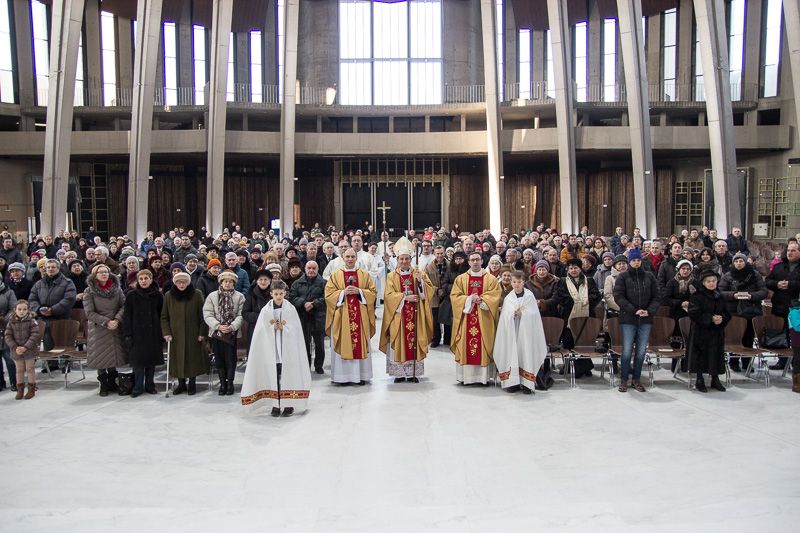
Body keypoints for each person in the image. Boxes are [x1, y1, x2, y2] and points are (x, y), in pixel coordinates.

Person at [241, 280, 311, 417]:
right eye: (276, 294)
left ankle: (288, 404)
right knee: (273, 374)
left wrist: (284, 328)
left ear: (285, 293)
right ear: (271, 294)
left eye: (281, 293)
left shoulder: (290, 309)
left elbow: (295, 329)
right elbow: (261, 330)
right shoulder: (265, 310)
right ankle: (275, 403)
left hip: (287, 349)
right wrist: (271, 328)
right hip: (271, 349)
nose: (278, 296)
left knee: (288, 374)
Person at [379, 237, 435, 383]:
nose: (404, 261)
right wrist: (404, 298)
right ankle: (398, 374)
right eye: (401, 259)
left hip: (416, 315)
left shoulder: (419, 273)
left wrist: (420, 282)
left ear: (411, 259)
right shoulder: (392, 276)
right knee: (399, 340)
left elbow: (429, 292)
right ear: (397, 260)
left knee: (414, 340)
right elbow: (388, 295)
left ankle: (412, 374)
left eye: (406, 259)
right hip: (398, 315)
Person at [324, 248, 377, 385]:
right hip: (342, 316)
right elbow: (328, 295)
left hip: (360, 316)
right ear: (343, 257)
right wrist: (342, 293)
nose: (350, 259)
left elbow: (373, 293)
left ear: (356, 258)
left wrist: (360, 292)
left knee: (359, 343)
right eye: (347, 256)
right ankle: (342, 377)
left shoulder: (364, 275)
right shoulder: (335, 275)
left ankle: (360, 376)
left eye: (352, 256)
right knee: (344, 342)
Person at [449, 251, 502, 385]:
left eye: (477, 259)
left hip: (484, 319)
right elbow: (454, 297)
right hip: (466, 319)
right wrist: (469, 299)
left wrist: (482, 300)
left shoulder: (491, 279)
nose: (475, 262)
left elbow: (495, 295)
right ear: (468, 262)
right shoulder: (461, 279)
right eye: (472, 260)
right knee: (465, 345)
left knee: (483, 345)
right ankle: (465, 377)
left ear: (482, 261)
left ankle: (483, 378)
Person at [613, 248, 660, 392]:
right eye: (633, 260)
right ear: (629, 262)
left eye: (638, 260)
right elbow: (618, 296)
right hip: (628, 319)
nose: (636, 262)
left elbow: (657, 296)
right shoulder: (623, 277)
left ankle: (636, 379)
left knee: (640, 352)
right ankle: (624, 380)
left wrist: (649, 311)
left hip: (645, 319)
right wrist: (634, 310)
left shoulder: (649, 276)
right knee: (627, 351)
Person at [493, 271, 548, 394]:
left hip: (526, 334)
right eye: (514, 282)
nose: (516, 284)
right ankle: (513, 383)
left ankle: (527, 383)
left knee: (525, 354)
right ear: (511, 283)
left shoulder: (529, 296)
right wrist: (512, 314)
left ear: (523, 282)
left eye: (519, 282)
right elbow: (504, 316)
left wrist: (523, 314)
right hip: (512, 333)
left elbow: (534, 314)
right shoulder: (508, 298)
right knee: (513, 355)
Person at [718, 252, 768, 372]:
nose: (738, 263)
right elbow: (720, 292)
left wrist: (751, 295)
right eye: (736, 261)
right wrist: (734, 295)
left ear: (745, 262)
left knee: (748, 337)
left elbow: (763, 291)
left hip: (750, 310)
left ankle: (747, 362)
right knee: (734, 337)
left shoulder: (754, 275)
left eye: (741, 261)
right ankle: (733, 362)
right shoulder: (728, 275)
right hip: (733, 311)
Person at [553, 258, 601, 378]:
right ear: (567, 269)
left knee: (583, 342)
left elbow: (596, 295)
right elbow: (559, 296)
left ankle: (583, 367)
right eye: (571, 268)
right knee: (569, 342)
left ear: (580, 269)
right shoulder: (562, 281)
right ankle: (570, 366)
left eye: (576, 268)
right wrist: (575, 302)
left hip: (586, 315)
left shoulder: (589, 280)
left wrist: (584, 301)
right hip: (568, 316)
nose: (573, 270)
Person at [161, 271, 208, 396]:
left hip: (193, 333)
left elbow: (203, 316)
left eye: (184, 282)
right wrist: (166, 332)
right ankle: (181, 384)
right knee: (177, 359)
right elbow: (164, 317)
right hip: (175, 334)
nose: (181, 285)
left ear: (188, 282)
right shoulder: (169, 295)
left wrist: (202, 332)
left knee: (192, 359)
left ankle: (192, 383)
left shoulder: (196, 294)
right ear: (175, 283)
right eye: (179, 282)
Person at [83, 265, 127, 397]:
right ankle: (103, 384)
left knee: (113, 356)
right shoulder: (89, 291)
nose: (104, 274)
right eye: (100, 272)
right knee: (101, 357)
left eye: (106, 272)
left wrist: (117, 320)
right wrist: (106, 321)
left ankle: (113, 382)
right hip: (99, 328)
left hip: (115, 326)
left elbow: (124, 306)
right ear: (95, 275)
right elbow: (89, 312)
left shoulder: (116, 288)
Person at [687, 268, 731, 393]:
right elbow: (693, 312)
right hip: (701, 331)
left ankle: (715, 379)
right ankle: (699, 379)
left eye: (713, 281)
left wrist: (722, 318)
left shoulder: (720, 296)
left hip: (716, 331)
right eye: (708, 281)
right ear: (703, 283)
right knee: (701, 355)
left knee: (715, 354)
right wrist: (710, 318)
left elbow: (727, 313)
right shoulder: (697, 296)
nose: (711, 283)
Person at [122, 269, 164, 397]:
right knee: (138, 363)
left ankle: (150, 385)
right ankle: (138, 387)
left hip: (153, 332)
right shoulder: (131, 295)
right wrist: (127, 334)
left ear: (151, 280)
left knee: (151, 361)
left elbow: (162, 314)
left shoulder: (158, 295)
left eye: (146, 278)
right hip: (137, 333)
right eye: (141, 279)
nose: (143, 281)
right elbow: (127, 316)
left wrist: (162, 332)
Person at [204, 270, 246, 396]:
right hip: (217, 333)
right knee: (219, 358)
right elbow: (207, 313)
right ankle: (222, 383)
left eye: (230, 282)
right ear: (221, 282)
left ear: (234, 283)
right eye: (225, 281)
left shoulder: (239, 297)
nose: (227, 284)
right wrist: (218, 326)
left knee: (230, 359)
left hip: (232, 333)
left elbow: (241, 314)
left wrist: (232, 326)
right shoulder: (212, 296)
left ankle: (230, 383)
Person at [765, 242, 800, 370]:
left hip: (797, 307)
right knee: (782, 334)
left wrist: (790, 284)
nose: (790, 253)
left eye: (793, 250)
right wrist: (777, 284)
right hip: (780, 306)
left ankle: (797, 363)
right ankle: (782, 361)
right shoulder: (778, 266)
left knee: (796, 336)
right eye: (788, 250)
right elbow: (768, 281)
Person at [288, 261, 327, 374]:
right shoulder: (297, 283)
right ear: (304, 269)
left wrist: (314, 303)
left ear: (318, 269)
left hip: (318, 316)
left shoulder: (324, 283)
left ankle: (319, 366)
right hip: (303, 316)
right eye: (309, 268)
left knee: (319, 344)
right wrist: (304, 303)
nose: (311, 270)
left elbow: (327, 298)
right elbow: (292, 298)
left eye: (314, 268)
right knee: (304, 343)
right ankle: (306, 365)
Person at [4, 300, 41, 400]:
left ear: (28, 310)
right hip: (16, 350)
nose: (22, 311)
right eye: (19, 309)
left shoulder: (32, 321)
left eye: (24, 309)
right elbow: (8, 336)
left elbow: (35, 335)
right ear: (15, 310)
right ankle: (20, 390)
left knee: (30, 369)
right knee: (19, 369)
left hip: (29, 349)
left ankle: (31, 390)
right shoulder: (11, 322)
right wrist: (15, 347)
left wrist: (25, 347)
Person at [424, 245, 448, 347]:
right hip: (434, 296)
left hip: (447, 295)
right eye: (437, 253)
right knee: (435, 319)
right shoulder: (429, 267)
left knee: (448, 318)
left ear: (444, 253)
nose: (440, 255)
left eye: (441, 253)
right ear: (434, 254)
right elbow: (426, 282)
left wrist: (445, 290)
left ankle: (448, 338)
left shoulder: (450, 265)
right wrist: (436, 290)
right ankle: (436, 339)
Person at [0, 278, 17, 391]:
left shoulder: (9, 292)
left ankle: (14, 382)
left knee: (9, 358)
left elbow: (13, 309)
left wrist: (4, 320)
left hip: (6, 328)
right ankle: (0, 382)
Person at [788, 299, 800, 393]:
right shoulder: (795, 312)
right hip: (797, 342)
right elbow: (797, 327)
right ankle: (797, 384)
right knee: (798, 361)